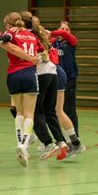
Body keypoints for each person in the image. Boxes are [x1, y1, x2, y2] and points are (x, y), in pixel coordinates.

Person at [0, 12, 42, 168]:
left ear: (9, 25)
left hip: (14, 74)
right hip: (29, 73)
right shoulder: (32, 36)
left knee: (19, 111)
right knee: (30, 113)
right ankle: (24, 144)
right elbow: (42, 50)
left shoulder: (10, 33)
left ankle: (19, 142)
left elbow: (4, 39)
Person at [29, 16, 68, 161]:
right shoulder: (42, 35)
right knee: (50, 111)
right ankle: (61, 141)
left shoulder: (30, 36)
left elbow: (43, 55)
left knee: (36, 111)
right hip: (53, 72)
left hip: (42, 74)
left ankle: (48, 143)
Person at [51, 21, 80, 136]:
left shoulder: (72, 41)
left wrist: (51, 32)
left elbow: (65, 35)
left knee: (69, 108)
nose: (64, 31)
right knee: (56, 109)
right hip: (56, 79)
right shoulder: (54, 43)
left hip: (70, 79)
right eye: (62, 29)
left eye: (66, 29)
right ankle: (61, 136)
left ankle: (74, 136)